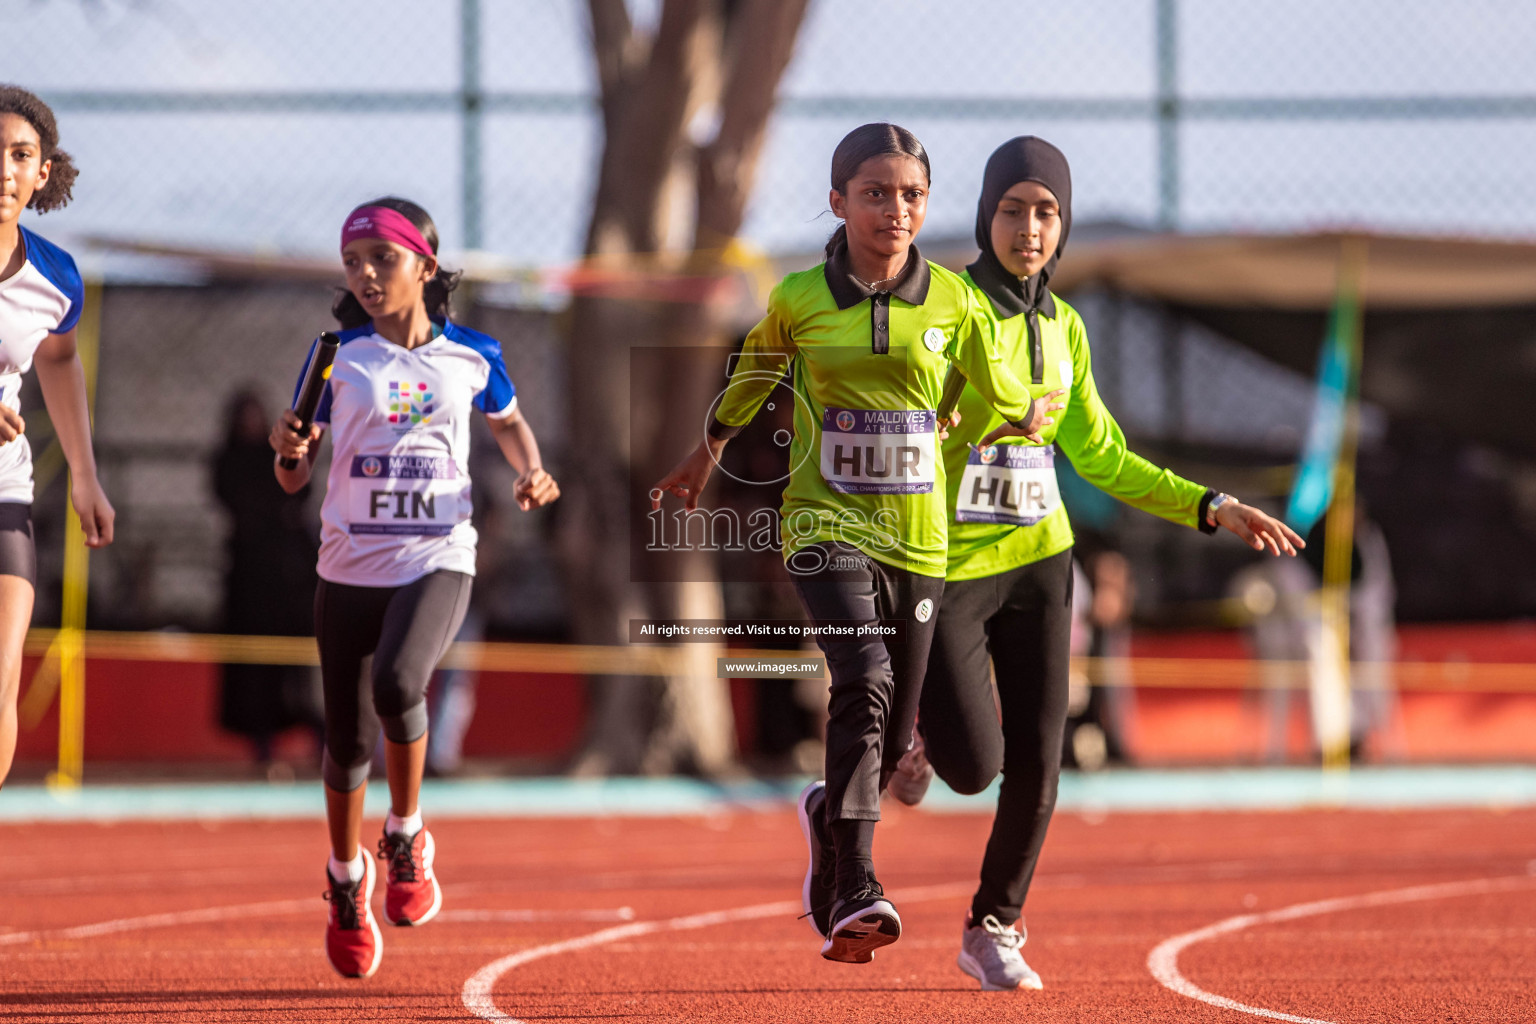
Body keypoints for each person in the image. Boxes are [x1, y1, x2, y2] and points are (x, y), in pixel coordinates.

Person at [889, 137, 1303, 991]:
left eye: (1046, 213)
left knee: (1043, 756)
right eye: (1012, 210)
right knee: (977, 769)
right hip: (953, 567)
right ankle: (916, 727)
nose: (1029, 229)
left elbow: (1104, 458)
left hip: (1043, 562)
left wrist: (1212, 506)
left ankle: (992, 926)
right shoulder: (949, 306)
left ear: (1063, 225)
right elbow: (900, 396)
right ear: (985, 215)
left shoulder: (1066, 329)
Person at [652, 123, 1062, 964]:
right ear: (837, 202)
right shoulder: (798, 297)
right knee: (864, 680)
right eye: (875, 193)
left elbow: (995, 392)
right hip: (824, 522)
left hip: (918, 539)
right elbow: (755, 376)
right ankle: (857, 885)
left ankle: (827, 830)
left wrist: (1019, 413)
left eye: (912, 194)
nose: (896, 210)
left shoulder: (954, 300)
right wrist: (704, 458)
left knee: (892, 716)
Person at [270, 197, 559, 979]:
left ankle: (404, 834)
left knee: (402, 682)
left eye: (382, 259)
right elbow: (294, 469)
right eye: (353, 262)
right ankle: (343, 881)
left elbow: (507, 422)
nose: (365, 275)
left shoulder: (473, 354)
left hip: (438, 553)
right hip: (347, 565)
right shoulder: (337, 355)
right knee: (348, 744)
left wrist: (531, 468)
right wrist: (288, 451)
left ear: (425, 268)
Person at [0, 85, 115, 790]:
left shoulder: (55, 277)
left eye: (20, 155)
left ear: (43, 173)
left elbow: (60, 360)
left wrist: (84, 474)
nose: (3, 170)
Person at [213, 388, 323, 769]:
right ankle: (262, 747)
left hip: (289, 582)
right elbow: (232, 498)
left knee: (297, 670)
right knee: (253, 672)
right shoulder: (228, 461)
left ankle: (321, 741)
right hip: (249, 584)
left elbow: (299, 491)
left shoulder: (279, 457)